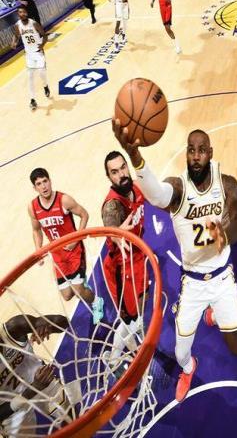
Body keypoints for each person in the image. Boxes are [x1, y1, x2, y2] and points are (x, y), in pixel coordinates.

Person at [112, 120, 237, 403]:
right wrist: (135, 157)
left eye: (201, 150)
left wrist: (217, 234)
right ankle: (189, 368)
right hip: (193, 284)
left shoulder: (227, 183)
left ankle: (213, 314)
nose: (196, 156)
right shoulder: (179, 187)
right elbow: (157, 195)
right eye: (191, 150)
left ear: (210, 152)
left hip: (222, 277)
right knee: (180, 352)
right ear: (186, 153)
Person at [28, 168, 104, 324]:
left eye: (45, 181)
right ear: (34, 188)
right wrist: (38, 250)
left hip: (74, 251)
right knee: (67, 295)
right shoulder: (33, 207)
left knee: (78, 291)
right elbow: (36, 230)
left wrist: (76, 239)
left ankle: (97, 301)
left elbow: (84, 214)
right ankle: (81, 284)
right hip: (57, 255)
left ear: (50, 181)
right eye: (39, 184)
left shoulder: (64, 200)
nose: (43, 186)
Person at [101, 151, 148, 378]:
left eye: (123, 168)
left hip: (138, 256)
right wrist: (115, 234)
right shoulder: (112, 205)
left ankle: (133, 330)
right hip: (121, 267)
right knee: (130, 319)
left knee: (143, 302)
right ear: (109, 177)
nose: (121, 174)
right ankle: (112, 358)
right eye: (114, 172)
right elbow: (110, 226)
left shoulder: (136, 188)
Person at [0, 314, 71, 436]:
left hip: (42, 380)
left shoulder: (14, 327)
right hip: (11, 407)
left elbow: (64, 322)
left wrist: (47, 327)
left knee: (71, 415)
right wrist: (32, 389)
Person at [11, 5, 49, 111]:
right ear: (18, 14)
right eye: (20, 12)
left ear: (27, 13)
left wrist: (42, 44)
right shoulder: (18, 25)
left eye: (23, 12)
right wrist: (14, 42)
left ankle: (45, 86)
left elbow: (44, 35)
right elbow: (16, 35)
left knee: (41, 73)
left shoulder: (34, 23)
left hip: (38, 52)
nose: (22, 14)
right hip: (29, 55)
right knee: (30, 77)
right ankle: (32, 100)